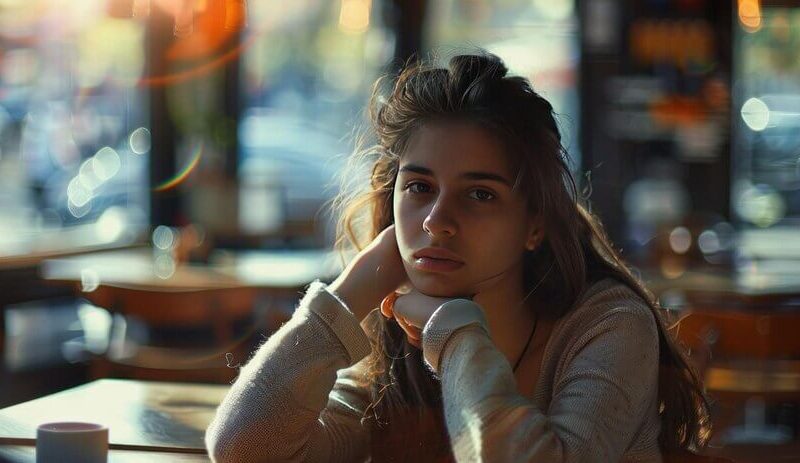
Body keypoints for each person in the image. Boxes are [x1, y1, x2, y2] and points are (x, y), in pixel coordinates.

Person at [205, 52, 709, 462]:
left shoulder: (609, 327)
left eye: (481, 194)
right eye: (420, 187)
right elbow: (243, 449)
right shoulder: (392, 337)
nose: (435, 221)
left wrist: (454, 331)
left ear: (535, 224)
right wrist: (352, 290)